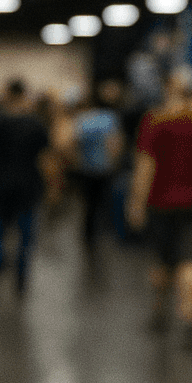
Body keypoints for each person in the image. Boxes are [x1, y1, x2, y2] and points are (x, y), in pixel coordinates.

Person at [126, 67, 192, 345]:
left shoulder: (155, 121)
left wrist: (136, 202)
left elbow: (145, 164)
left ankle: (160, 308)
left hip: (160, 202)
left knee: (162, 260)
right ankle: (190, 319)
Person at [0, 78, 53, 293]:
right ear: (24, 94)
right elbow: (45, 160)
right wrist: (52, 188)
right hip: (29, 186)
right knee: (26, 239)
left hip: (0, 184)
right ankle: (21, 281)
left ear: (7, 94)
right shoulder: (36, 124)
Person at [62, 78, 126, 254]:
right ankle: (104, 234)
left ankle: (88, 235)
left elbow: (71, 144)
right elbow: (114, 144)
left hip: (86, 168)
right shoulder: (109, 118)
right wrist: (115, 162)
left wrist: (75, 162)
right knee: (105, 202)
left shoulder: (82, 119)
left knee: (88, 204)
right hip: (105, 168)